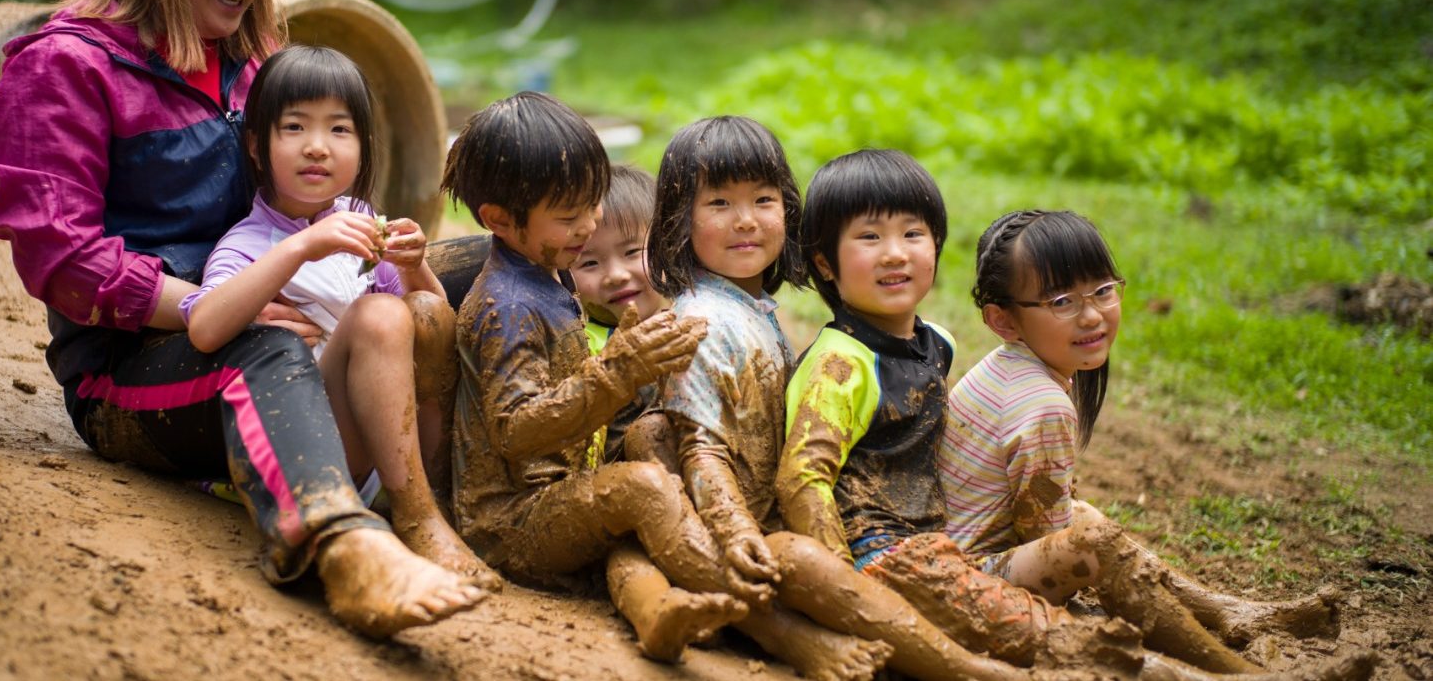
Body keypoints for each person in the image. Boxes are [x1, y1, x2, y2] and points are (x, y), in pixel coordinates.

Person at [0, 0, 484, 638]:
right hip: (136, 371)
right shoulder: (65, 66)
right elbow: (58, 254)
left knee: (486, 263)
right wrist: (218, 300)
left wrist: (382, 252)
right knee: (262, 344)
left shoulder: (255, 60)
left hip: (267, 290)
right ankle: (341, 543)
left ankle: (540, 469)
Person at [780, 154, 1373, 681]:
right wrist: (843, 592)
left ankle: (1228, 614)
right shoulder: (840, 365)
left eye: (913, 232)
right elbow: (804, 478)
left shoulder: (934, 342)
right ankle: (1236, 674)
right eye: (869, 237)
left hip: (943, 540)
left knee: (1087, 522)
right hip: (890, 562)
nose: (896, 252)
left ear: (937, 244)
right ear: (825, 265)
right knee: (1063, 619)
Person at [649, 117, 1057, 681]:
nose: (745, 220)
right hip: (784, 538)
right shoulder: (703, 320)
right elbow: (705, 447)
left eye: (763, 199)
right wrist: (740, 533)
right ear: (678, 220)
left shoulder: (748, 309)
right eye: (719, 202)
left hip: (843, 531)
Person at [940, 210, 1344, 669]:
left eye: (1102, 291)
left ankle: (1224, 609)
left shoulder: (1004, 363)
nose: (1092, 315)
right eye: (1061, 302)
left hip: (965, 557)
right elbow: (1047, 537)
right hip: (967, 582)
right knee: (1090, 540)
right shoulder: (1043, 405)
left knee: (1088, 521)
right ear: (1004, 320)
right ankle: (1227, 665)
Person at [441, 92, 756, 663]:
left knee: (644, 468)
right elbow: (515, 431)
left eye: (591, 205)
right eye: (570, 217)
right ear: (499, 221)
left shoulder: (547, 272)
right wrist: (618, 372)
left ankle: (659, 611)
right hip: (511, 521)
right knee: (640, 489)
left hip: (563, 493)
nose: (589, 226)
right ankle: (764, 612)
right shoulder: (508, 305)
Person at [180, 43, 495, 588]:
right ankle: (418, 518)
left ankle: (435, 496)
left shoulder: (362, 221)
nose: (317, 148)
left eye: (339, 130)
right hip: (325, 454)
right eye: (295, 128)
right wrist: (300, 248)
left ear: (364, 144)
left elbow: (435, 332)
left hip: (397, 445)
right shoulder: (250, 243)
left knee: (421, 310)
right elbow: (205, 327)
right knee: (377, 316)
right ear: (257, 145)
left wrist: (416, 267)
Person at [570, 163, 673, 467]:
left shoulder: (692, 318)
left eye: (632, 253)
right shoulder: (580, 344)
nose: (615, 275)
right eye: (589, 263)